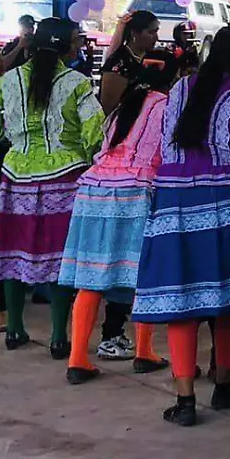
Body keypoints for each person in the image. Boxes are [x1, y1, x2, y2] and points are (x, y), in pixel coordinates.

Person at [134, 24, 230, 426]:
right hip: (229, 208)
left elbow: (165, 147)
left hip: (175, 205)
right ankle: (224, 385)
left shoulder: (179, 90)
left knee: (182, 304)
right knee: (227, 302)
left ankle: (184, 400)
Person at [0, 17, 105, 355]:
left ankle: (14, 329)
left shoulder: (8, 81)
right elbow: (95, 128)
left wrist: (7, 140)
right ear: (63, 46)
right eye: (75, 40)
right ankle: (59, 337)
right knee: (60, 257)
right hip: (64, 179)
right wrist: (85, 156)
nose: (78, 46)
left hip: (16, 178)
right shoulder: (77, 82)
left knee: (14, 253)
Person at [58, 54, 174, 384]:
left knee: (91, 279)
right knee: (143, 274)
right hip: (136, 191)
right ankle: (144, 351)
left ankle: (78, 359)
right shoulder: (165, 107)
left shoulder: (121, 110)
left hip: (94, 189)